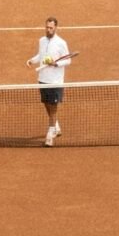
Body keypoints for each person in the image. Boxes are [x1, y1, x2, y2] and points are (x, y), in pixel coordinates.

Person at [26, 17, 73, 146]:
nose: (48, 30)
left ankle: (50, 136)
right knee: (47, 104)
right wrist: (32, 60)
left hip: (55, 81)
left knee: (53, 108)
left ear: (55, 28)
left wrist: (55, 64)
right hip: (43, 79)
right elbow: (40, 55)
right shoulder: (42, 40)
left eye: (51, 28)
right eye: (47, 27)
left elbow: (68, 60)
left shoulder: (61, 43)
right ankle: (56, 127)